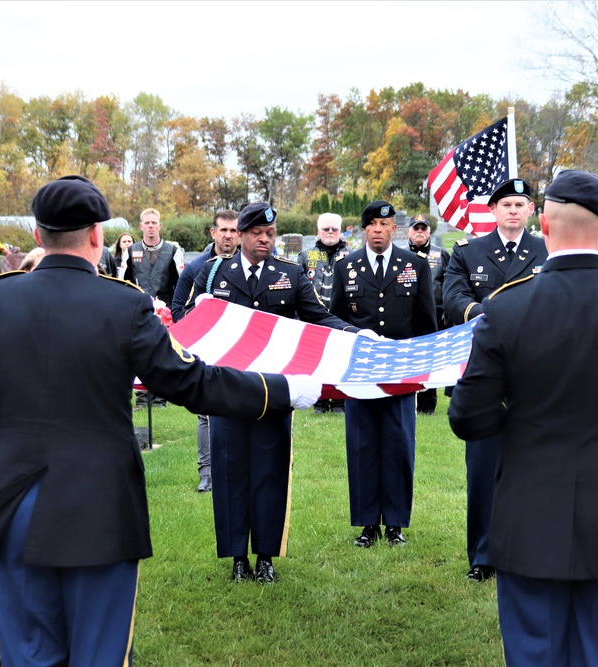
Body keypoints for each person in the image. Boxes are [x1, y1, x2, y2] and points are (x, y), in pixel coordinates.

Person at [0, 176, 320, 666]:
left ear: (39, 236)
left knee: (27, 651)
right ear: (95, 236)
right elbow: (190, 383)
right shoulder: (123, 302)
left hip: (14, 499)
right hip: (97, 501)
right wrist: (277, 389)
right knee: (100, 652)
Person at [448, 170, 598, 667]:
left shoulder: (507, 307)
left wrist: (520, 413)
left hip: (530, 515)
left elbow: (469, 418)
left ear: (542, 224)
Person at [187, 202, 358, 583]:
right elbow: (187, 322)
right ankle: (236, 559)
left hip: (274, 389)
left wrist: (357, 336)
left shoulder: (290, 274)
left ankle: (265, 558)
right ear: (241, 235)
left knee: (269, 469)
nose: (264, 240)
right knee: (230, 470)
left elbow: (319, 317)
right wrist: (198, 311)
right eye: (256, 234)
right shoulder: (213, 272)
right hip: (226, 389)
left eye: (270, 234)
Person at [441, 178, 548, 581]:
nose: (513, 211)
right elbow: (452, 300)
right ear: (493, 210)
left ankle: (530, 552)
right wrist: (493, 316)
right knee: (484, 468)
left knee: (535, 465)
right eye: (506, 204)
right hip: (485, 371)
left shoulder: (546, 250)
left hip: (537, 372)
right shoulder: (469, 252)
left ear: (531, 210)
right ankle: (483, 556)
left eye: (520, 204)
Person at [329, 200, 437, 548]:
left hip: (402, 370)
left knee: (398, 444)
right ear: (364, 229)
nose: (378, 229)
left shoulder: (415, 266)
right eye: (372, 223)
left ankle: (394, 524)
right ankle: (366, 524)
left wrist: (423, 370)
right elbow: (335, 320)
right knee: (362, 445)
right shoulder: (347, 266)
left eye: (384, 224)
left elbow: (425, 322)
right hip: (360, 371)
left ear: (395, 229)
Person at [172, 209, 239, 493]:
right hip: (210, 349)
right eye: (223, 229)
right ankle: (206, 472)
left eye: (234, 230)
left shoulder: (247, 266)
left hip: (242, 348)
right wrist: (202, 312)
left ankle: (235, 468)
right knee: (206, 413)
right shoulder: (197, 268)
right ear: (213, 233)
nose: (228, 235)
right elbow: (178, 311)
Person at [297, 212, 351, 414]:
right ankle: (319, 402)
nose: (330, 232)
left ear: (340, 231)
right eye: (326, 229)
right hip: (313, 319)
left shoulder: (351, 254)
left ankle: (338, 402)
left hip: (341, 319)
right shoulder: (306, 256)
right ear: (318, 231)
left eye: (334, 229)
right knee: (317, 361)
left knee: (339, 360)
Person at [131, 208, 184, 409]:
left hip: (166, 313)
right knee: (140, 354)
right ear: (141, 226)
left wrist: (174, 310)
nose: (151, 226)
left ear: (160, 226)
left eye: (154, 223)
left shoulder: (172, 251)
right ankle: (142, 399)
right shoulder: (132, 251)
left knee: (162, 354)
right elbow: (125, 282)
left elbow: (179, 283)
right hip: (139, 312)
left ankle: (160, 398)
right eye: (147, 223)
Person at [407, 213, 450, 416]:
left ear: (429, 232)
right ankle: (407, 399)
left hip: (436, 316)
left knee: (430, 361)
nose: (420, 232)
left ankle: (427, 405)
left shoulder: (441, 255)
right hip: (408, 316)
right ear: (409, 231)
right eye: (416, 228)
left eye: (423, 228)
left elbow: (450, 285)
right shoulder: (401, 255)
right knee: (410, 360)